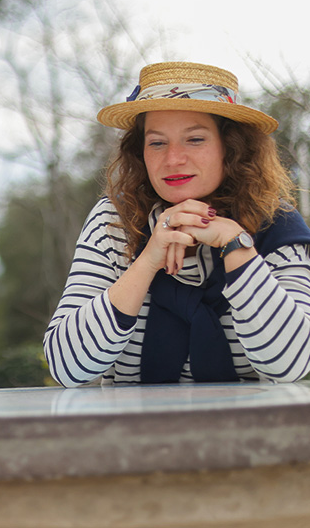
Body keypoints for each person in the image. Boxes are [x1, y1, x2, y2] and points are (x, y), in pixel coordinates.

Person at [44, 61, 310, 386]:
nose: (173, 159)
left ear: (231, 147)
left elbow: (290, 365)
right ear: (139, 152)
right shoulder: (113, 222)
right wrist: (147, 261)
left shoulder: (277, 225)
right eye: (157, 143)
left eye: (194, 139)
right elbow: (66, 367)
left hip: (249, 431)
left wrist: (236, 245)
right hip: (130, 431)